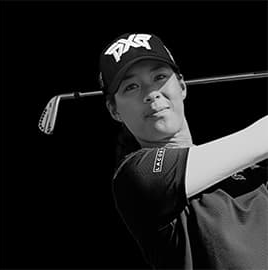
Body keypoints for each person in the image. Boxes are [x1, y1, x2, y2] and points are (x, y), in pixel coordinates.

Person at [98, 32, 268, 269]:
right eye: (131, 86)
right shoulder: (134, 176)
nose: (151, 93)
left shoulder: (254, 173)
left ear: (182, 86)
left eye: (159, 76)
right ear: (114, 110)